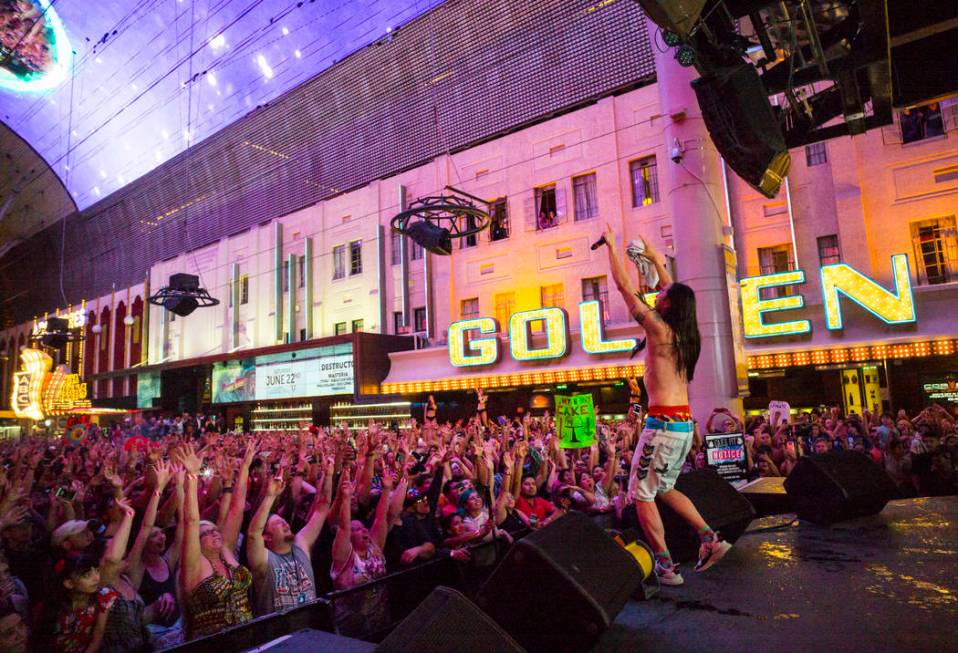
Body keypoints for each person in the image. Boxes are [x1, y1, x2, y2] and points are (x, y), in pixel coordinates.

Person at [602, 223, 731, 586]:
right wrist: (657, 259)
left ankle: (665, 566)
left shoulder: (658, 329)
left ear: (668, 304)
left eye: (663, 293)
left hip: (661, 427)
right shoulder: (686, 334)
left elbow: (624, 288)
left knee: (640, 493)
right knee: (664, 488)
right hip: (682, 426)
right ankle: (709, 538)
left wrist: (612, 247)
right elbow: (669, 288)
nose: (658, 292)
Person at [246, 466, 331, 616]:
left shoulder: (301, 545)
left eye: (283, 520)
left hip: (308, 631)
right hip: (279, 636)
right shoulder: (264, 560)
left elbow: (322, 508)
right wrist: (270, 496)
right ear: (267, 536)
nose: (285, 523)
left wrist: (329, 475)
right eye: (278, 523)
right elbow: (253, 534)